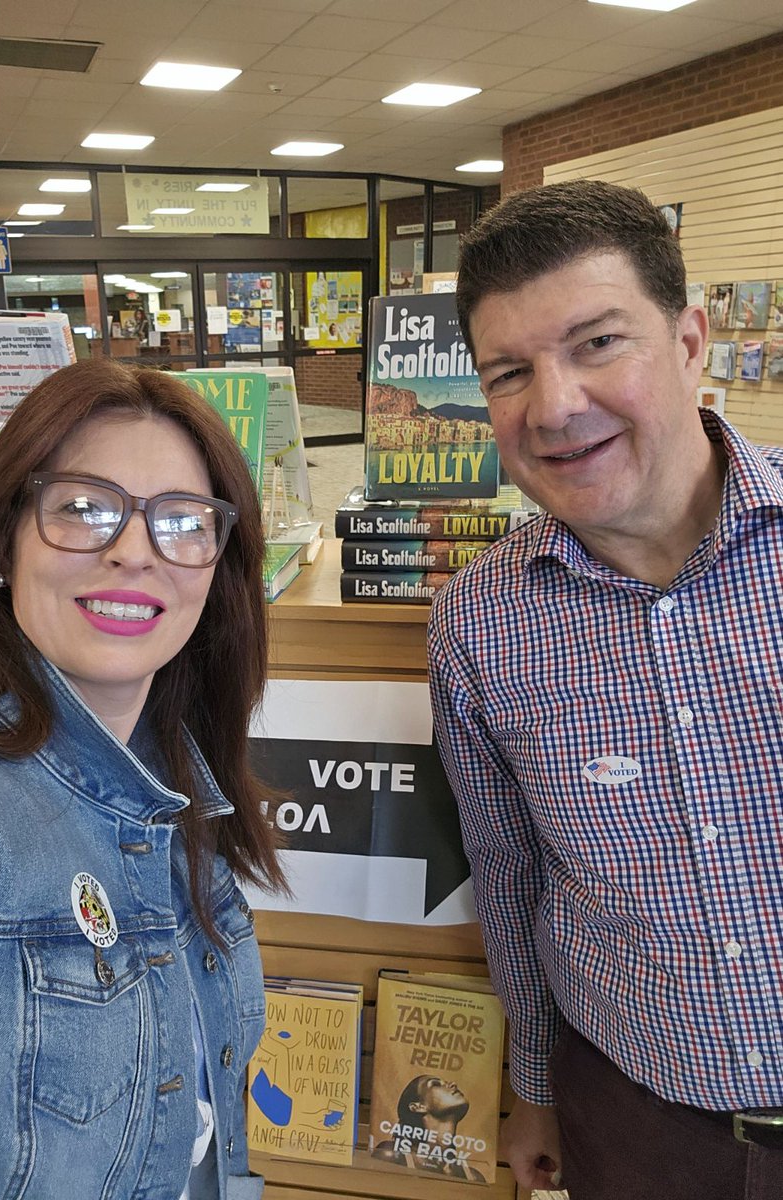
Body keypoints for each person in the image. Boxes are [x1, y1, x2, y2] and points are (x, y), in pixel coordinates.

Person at [427, 179, 783, 1199]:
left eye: (596, 343)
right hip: (635, 1128)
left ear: (688, 342)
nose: (555, 406)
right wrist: (533, 1089)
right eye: (509, 371)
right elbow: (510, 878)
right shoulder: (480, 626)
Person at [0, 359, 286, 1198]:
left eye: (181, 522)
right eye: (84, 509)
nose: (135, 552)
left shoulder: (174, 787)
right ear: (2, 547)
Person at [371, 1075, 486, 1181]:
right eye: (436, 1084)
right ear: (417, 1106)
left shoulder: (474, 1177)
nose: (453, 1084)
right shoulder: (390, 1155)